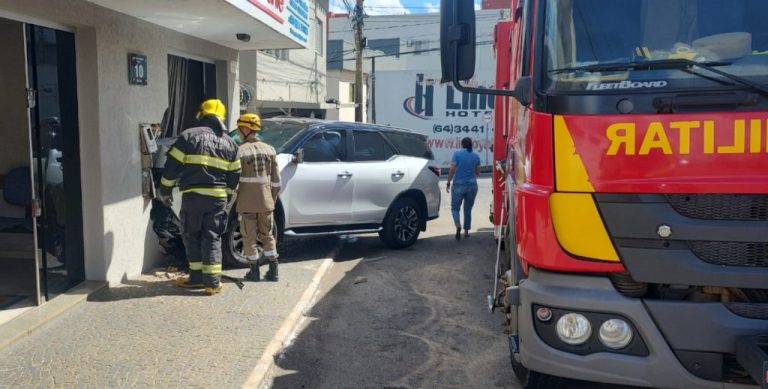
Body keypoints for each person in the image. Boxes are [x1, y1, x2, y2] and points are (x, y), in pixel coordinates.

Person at [159, 99, 241, 296]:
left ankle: (196, 278)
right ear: (221, 117)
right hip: (217, 198)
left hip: (193, 197)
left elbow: (172, 167)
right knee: (212, 236)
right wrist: (228, 197)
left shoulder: (188, 136)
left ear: (201, 114)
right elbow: (234, 175)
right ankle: (212, 282)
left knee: (191, 234)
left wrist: (165, 191)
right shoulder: (230, 143)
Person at [235, 113, 282, 282]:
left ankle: (254, 272)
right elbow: (277, 182)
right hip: (266, 202)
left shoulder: (239, 151)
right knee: (268, 235)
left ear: (247, 128)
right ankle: (274, 270)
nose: (239, 132)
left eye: (240, 128)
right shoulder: (270, 149)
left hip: (246, 203)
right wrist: (272, 199)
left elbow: (235, 181)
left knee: (249, 237)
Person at [446, 137, 481, 240]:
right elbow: (478, 173)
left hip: (458, 184)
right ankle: (466, 231)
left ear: (462, 144)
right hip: (472, 185)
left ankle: (458, 225)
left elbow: (452, 169)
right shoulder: (476, 156)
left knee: (455, 208)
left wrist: (448, 182)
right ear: (471, 144)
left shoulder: (457, 154)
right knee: (468, 209)